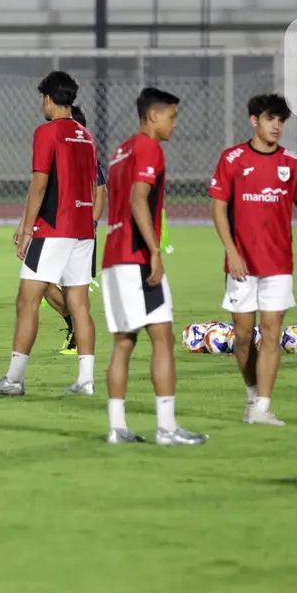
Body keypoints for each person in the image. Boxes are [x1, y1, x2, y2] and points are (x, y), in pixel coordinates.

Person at [208, 94, 297, 426]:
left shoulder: (293, 162)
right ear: (254, 120)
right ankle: (251, 397)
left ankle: (263, 407)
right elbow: (218, 207)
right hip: (241, 265)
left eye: (281, 120)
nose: (277, 126)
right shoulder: (232, 158)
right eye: (270, 119)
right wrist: (231, 251)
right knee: (244, 336)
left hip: (279, 265)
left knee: (272, 333)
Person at [0, 71, 99, 397]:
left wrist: (27, 227)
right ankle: (86, 381)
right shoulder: (86, 136)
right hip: (84, 228)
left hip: (53, 228)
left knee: (27, 300)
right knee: (80, 305)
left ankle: (14, 379)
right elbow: (91, 185)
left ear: (48, 99)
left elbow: (40, 183)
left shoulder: (47, 132)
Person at [101, 87, 207, 445]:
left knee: (123, 342)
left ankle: (117, 428)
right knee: (162, 337)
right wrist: (155, 252)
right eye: (172, 117)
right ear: (153, 116)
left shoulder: (120, 151)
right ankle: (166, 428)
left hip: (113, 258)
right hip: (136, 259)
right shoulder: (149, 147)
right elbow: (138, 199)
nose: (175, 124)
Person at [45, 103, 108, 355]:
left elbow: (101, 192)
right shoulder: (54, 155)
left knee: (75, 290)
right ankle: (73, 325)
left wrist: (90, 224)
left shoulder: (87, 155)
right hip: (55, 230)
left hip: (79, 233)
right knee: (44, 286)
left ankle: (79, 338)